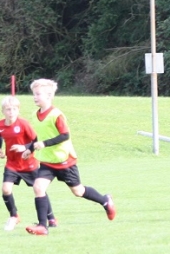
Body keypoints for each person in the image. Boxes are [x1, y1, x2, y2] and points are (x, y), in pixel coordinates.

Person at [11, 78, 115, 235]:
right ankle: (42, 226)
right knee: (38, 187)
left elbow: (65, 135)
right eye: (34, 94)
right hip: (47, 161)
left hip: (64, 160)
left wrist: (44, 144)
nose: (35, 97)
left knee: (78, 191)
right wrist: (29, 149)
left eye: (38, 94)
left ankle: (105, 201)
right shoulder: (34, 115)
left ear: (49, 95)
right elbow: (38, 137)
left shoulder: (56, 115)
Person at [0, 95, 57, 231]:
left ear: (18, 110)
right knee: (6, 189)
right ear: (3, 111)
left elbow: (36, 140)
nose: (11, 112)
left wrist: (24, 147)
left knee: (39, 189)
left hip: (28, 164)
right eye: (8, 109)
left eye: (14, 109)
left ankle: (51, 218)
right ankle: (14, 216)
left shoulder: (23, 124)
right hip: (12, 164)